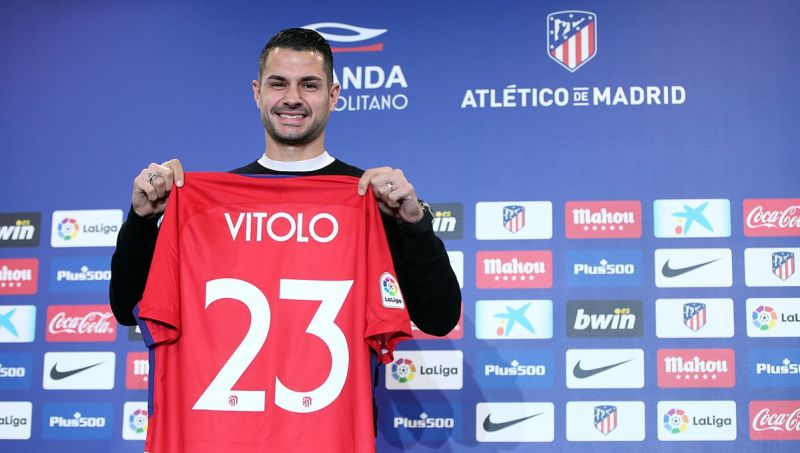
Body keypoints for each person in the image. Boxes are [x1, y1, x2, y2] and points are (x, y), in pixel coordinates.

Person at [109, 27, 460, 338]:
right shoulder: (211, 206)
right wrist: (142, 222)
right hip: (229, 397)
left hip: (339, 397)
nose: (292, 98)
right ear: (257, 93)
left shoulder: (369, 198)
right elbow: (127, 309)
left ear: (333, 96)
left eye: (309, 85)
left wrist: (414, 225)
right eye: (278, 83)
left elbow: (439, 318)